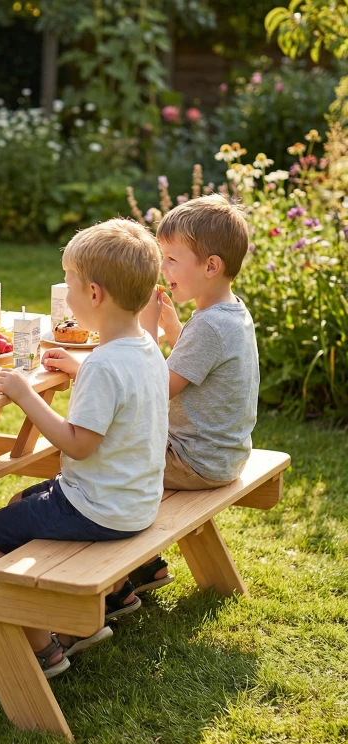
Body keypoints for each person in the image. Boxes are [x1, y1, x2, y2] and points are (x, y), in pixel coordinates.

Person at [0, 218, 169, 678]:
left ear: (95, 295)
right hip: (135, 503)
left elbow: (78, 445)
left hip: (96, 508)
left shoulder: (104, 364)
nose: (66, 290)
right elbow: (121, 400)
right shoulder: (144, 349)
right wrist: (80, 369)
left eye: (69, 282)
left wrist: (25, 396)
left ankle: (42, 649)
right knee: (19, 502)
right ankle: (77, 626)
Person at [135, 194, 257, 594]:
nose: (161, 267)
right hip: (223, 453)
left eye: (171, 258)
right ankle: (145, 565)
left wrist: (147, 331)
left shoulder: (208, 326)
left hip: (193, 459)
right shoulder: (231, 311)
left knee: (102, 459)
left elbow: (154, 390)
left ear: (210, 266)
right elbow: (201, 368)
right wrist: (175, 331)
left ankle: (125, 571)